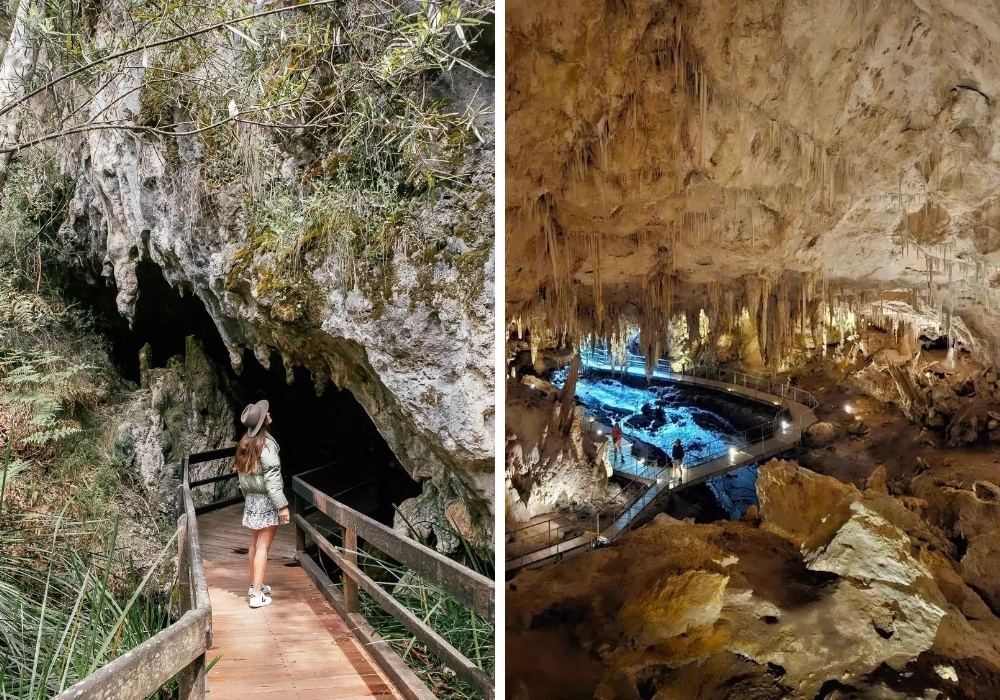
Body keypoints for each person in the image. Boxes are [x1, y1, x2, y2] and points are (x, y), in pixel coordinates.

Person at [234, 399, 290, 609]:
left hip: (253, 500)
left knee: (255, 544)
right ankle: (257, 596)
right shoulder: (266, 445)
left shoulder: (245, 443)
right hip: (266, 500)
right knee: (263, 548)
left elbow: (242, 477)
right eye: (266, 414)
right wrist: (282, 506)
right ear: (263, 422)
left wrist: (249, 498)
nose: (269, 414)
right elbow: (273, 480)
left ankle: (254, 585)